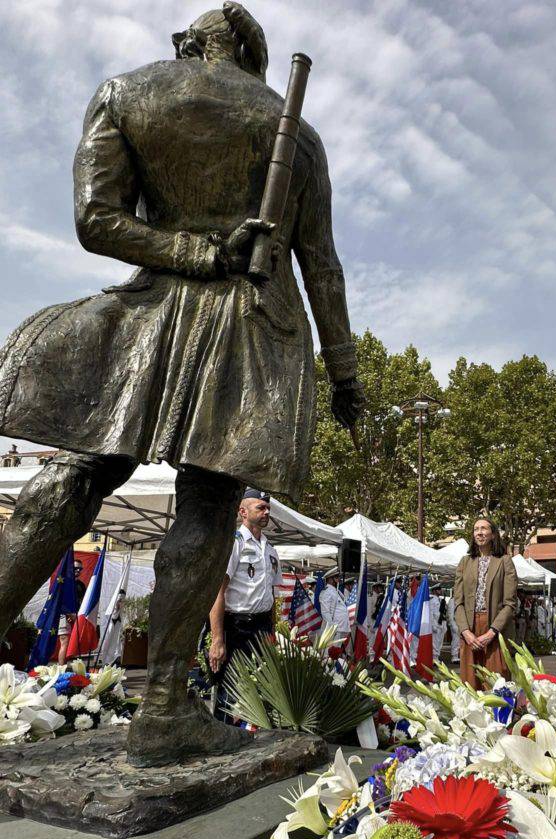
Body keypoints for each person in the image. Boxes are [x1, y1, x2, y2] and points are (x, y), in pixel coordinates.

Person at [0, 4, 364, 766]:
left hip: (151, 312)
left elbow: (96, 220)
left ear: (189, 44)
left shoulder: (125, 91)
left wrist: (187, 251)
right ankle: (163, 706)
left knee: (75, 475)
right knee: (209, 503)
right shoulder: (297, 135)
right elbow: (320, 264)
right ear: (254, 58)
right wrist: (344, 371)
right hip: (249, 329)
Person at [207, 489, 281, 717]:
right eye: (260, 507)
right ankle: (223, 740)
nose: (266, 512)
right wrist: (217, 639)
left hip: (262, 627)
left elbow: (271, 594)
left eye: (268, 508)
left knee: (262, 689)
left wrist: (273, 631)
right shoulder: (234, 544)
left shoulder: (271, 550)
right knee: (231, 690)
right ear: (242, 512)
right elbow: (217, 593)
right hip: (237, 626)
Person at [453, 517, 518, 689]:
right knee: (470, 684)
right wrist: (466, 632)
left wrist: (491, 633)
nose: (479, 532)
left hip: (495, 630)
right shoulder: (465, 562)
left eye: (484, 528)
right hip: (469, 629)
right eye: (476, 529)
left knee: (496, 684)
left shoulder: (505, 561)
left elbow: (510, 603)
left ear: (493, 534)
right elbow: (457, 602)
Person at [57, 558, 87, 665]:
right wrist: (68, 614)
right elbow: (59, 600)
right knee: (64, 641)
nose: (78, 570)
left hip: (77, 616)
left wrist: (79, 616)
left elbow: (83, 602)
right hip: (63, 615)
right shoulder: (63, 582)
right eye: (76, 568)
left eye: (80, 569)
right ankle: (60, 670)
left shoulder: (81, 585)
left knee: (72, 642)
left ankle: (67, 667)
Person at [319, 566, 351, 647]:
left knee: (336, 652)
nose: (338, 580)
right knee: (330, 652)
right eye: (336, 577)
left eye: (338, 577)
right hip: (334, 628)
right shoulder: (327, 592)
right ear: (329, 579)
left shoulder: (336, 591)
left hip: (340, 627)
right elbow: (325, 612)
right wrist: (332, 628)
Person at [447, 593, 461, 663]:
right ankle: (454, 656)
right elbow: (450, 614)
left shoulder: (459, 599)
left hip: (460, 624)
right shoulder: (452, 600)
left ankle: (458, 656)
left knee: (459, 641)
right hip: (455, 623)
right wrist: (452, 624)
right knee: (456, 640)